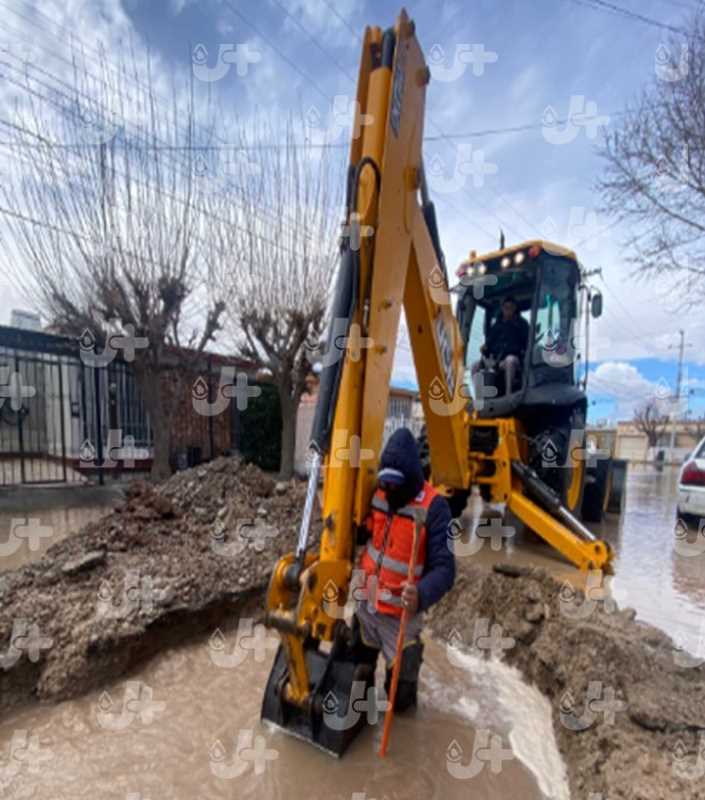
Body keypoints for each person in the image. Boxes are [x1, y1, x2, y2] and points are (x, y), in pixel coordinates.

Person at [353, 427, 455, 711]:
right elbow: (368, 534)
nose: (390, 491)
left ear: (412, 479)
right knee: (356, 689)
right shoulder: (379, 493)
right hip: (366, 607)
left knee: (401, 703)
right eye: (386, 484)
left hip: (400, 617)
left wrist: (420, 594)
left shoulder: (435, 508)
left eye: (396, 485)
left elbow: (446, 569)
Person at [472, 295, 529, 397]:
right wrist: (484, 347)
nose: (508, 310)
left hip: (514, 359)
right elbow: (489, 344)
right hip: (495, 360)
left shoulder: (522, 324)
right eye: (505, 307)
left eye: (510, 307)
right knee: (475, 366)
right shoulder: (496, 325)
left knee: (510, 361)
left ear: (514, 308)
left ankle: (508, 394)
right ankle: (478, 397)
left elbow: (527, 343)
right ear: (502, 308)